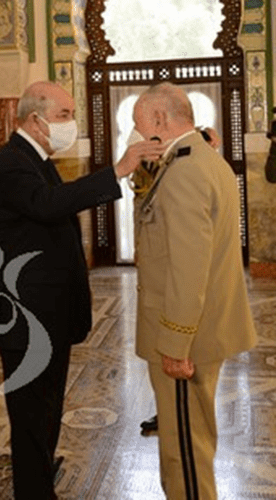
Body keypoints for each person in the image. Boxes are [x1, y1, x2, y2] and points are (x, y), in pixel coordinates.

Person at [0, 80, 166, 499]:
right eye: (64, 115)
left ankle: (40, 482)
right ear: (35, 119)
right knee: (31, 419)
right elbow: (48, 204)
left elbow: (54, 204)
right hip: (26, 317)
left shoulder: (36, 158)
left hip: (47, 314)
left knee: (47, 412)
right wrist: (116, 171)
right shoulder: (10, 163)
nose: (71, 123)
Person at [133, 82, 257, 499]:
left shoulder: (185, 171)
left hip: (187, 337)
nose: (138, 134)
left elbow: (188, 269)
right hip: (199, 329)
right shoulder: (197, 159)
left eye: (139, 124)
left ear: (159, 119)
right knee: (185, 438)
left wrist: (175, 342)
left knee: (185, 449)